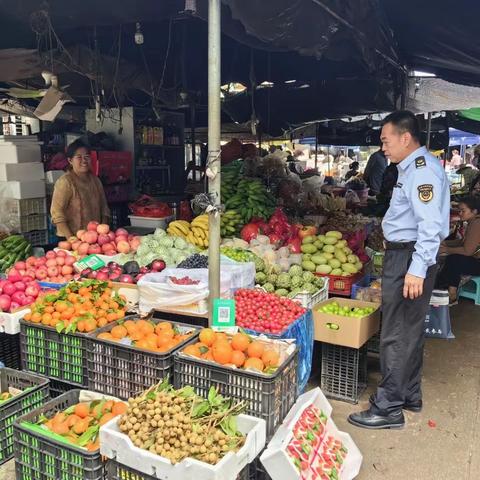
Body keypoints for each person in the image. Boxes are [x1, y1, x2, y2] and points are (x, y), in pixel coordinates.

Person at [348, 110, 450, 430]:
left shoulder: (421, 171)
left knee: (395, 332)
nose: (383, 148)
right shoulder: (413, 167)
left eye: (385, 140)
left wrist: (416, 270)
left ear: (405, 138)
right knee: (409, 329)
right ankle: (409, 393)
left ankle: (389, 407)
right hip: (408, 256)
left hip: (408, 258)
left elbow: (430, 226)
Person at [50, 139, 111, 239]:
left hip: (94, 239)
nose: (84, 160)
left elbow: (104, 209)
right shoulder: (65, 182)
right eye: (79, 157)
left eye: (87, 157)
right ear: (70, 160)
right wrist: (71, 240)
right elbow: (57, 214)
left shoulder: (95, 181)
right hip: (70, 238)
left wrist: (102, 233)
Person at [436, 196, 480, 303]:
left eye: (463, 211)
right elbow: (462, 242)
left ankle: (451, 293)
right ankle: (440, 287)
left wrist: (446, 249)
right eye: (459, 210)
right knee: (451, 258)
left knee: (453, 259)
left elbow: (468, 251)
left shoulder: (477, 224)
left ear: (474, 211)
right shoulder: (472, 222)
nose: (460, 213)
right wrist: (444, 243)